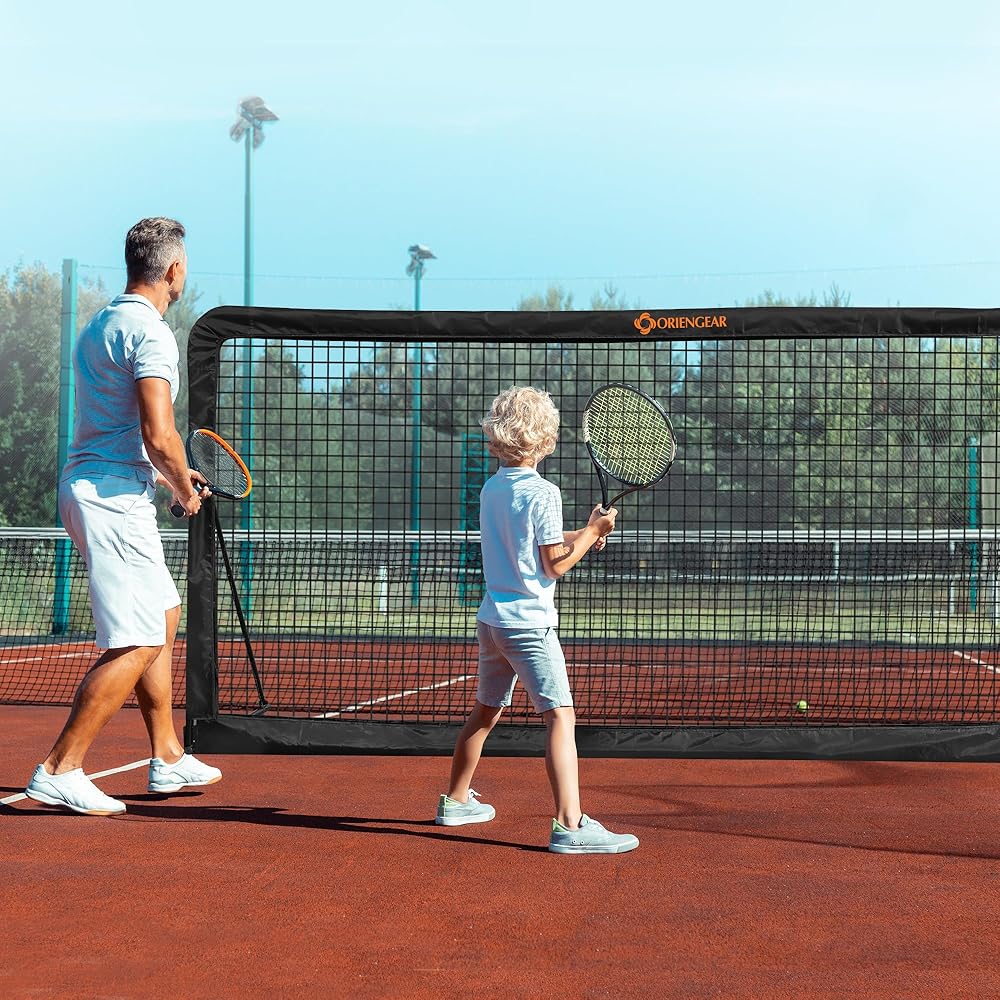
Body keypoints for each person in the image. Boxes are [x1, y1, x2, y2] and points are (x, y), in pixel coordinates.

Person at [25, 217, 222, 816]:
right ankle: (59, 768)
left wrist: (164, 477)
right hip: (111, 499)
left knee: (162, 614)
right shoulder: (151, 334)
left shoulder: (101, 324)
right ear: (174, 269)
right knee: (136, 641)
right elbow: (159, 433)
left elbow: (126, 432)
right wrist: (183, 486)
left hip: (105, 487)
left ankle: (166, 755)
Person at [436, 386, 639, 854]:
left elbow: (531, 540)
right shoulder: (545, 492)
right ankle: (570, 825)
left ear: (496, 434)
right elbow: (555, 564)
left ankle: (456, 800)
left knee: (486, 711)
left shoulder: (492, 487)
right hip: (529, 624)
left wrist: (583, 533)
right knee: (560, 716)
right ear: (546, 438)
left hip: (492, 622)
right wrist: (592, 532)